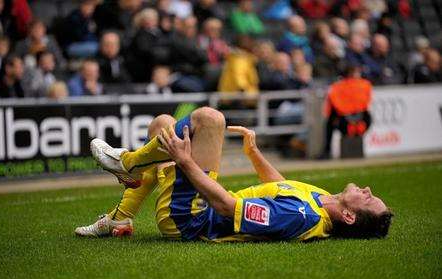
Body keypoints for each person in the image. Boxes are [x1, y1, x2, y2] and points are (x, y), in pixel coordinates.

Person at [75, 107, 393, 241]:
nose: (366, 188)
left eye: (367, 198)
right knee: (163, 125)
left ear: (350, 217)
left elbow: (228, 208)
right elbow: (280, 185)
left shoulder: (301, 216)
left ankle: (128, 164)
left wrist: (186, 163)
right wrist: (254, 154)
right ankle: (121, 217)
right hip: (202, 206)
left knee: (210, 119)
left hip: (190, 220)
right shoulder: (318, 199)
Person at [320, 63, 372, 159]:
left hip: (346, 122)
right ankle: (326, 151)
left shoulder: (337, 86)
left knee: (330, 120)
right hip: (359, 121)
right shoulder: (365, 84)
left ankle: (326, 151)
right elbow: (366, 102)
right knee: (331, 120)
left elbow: (335, 105)